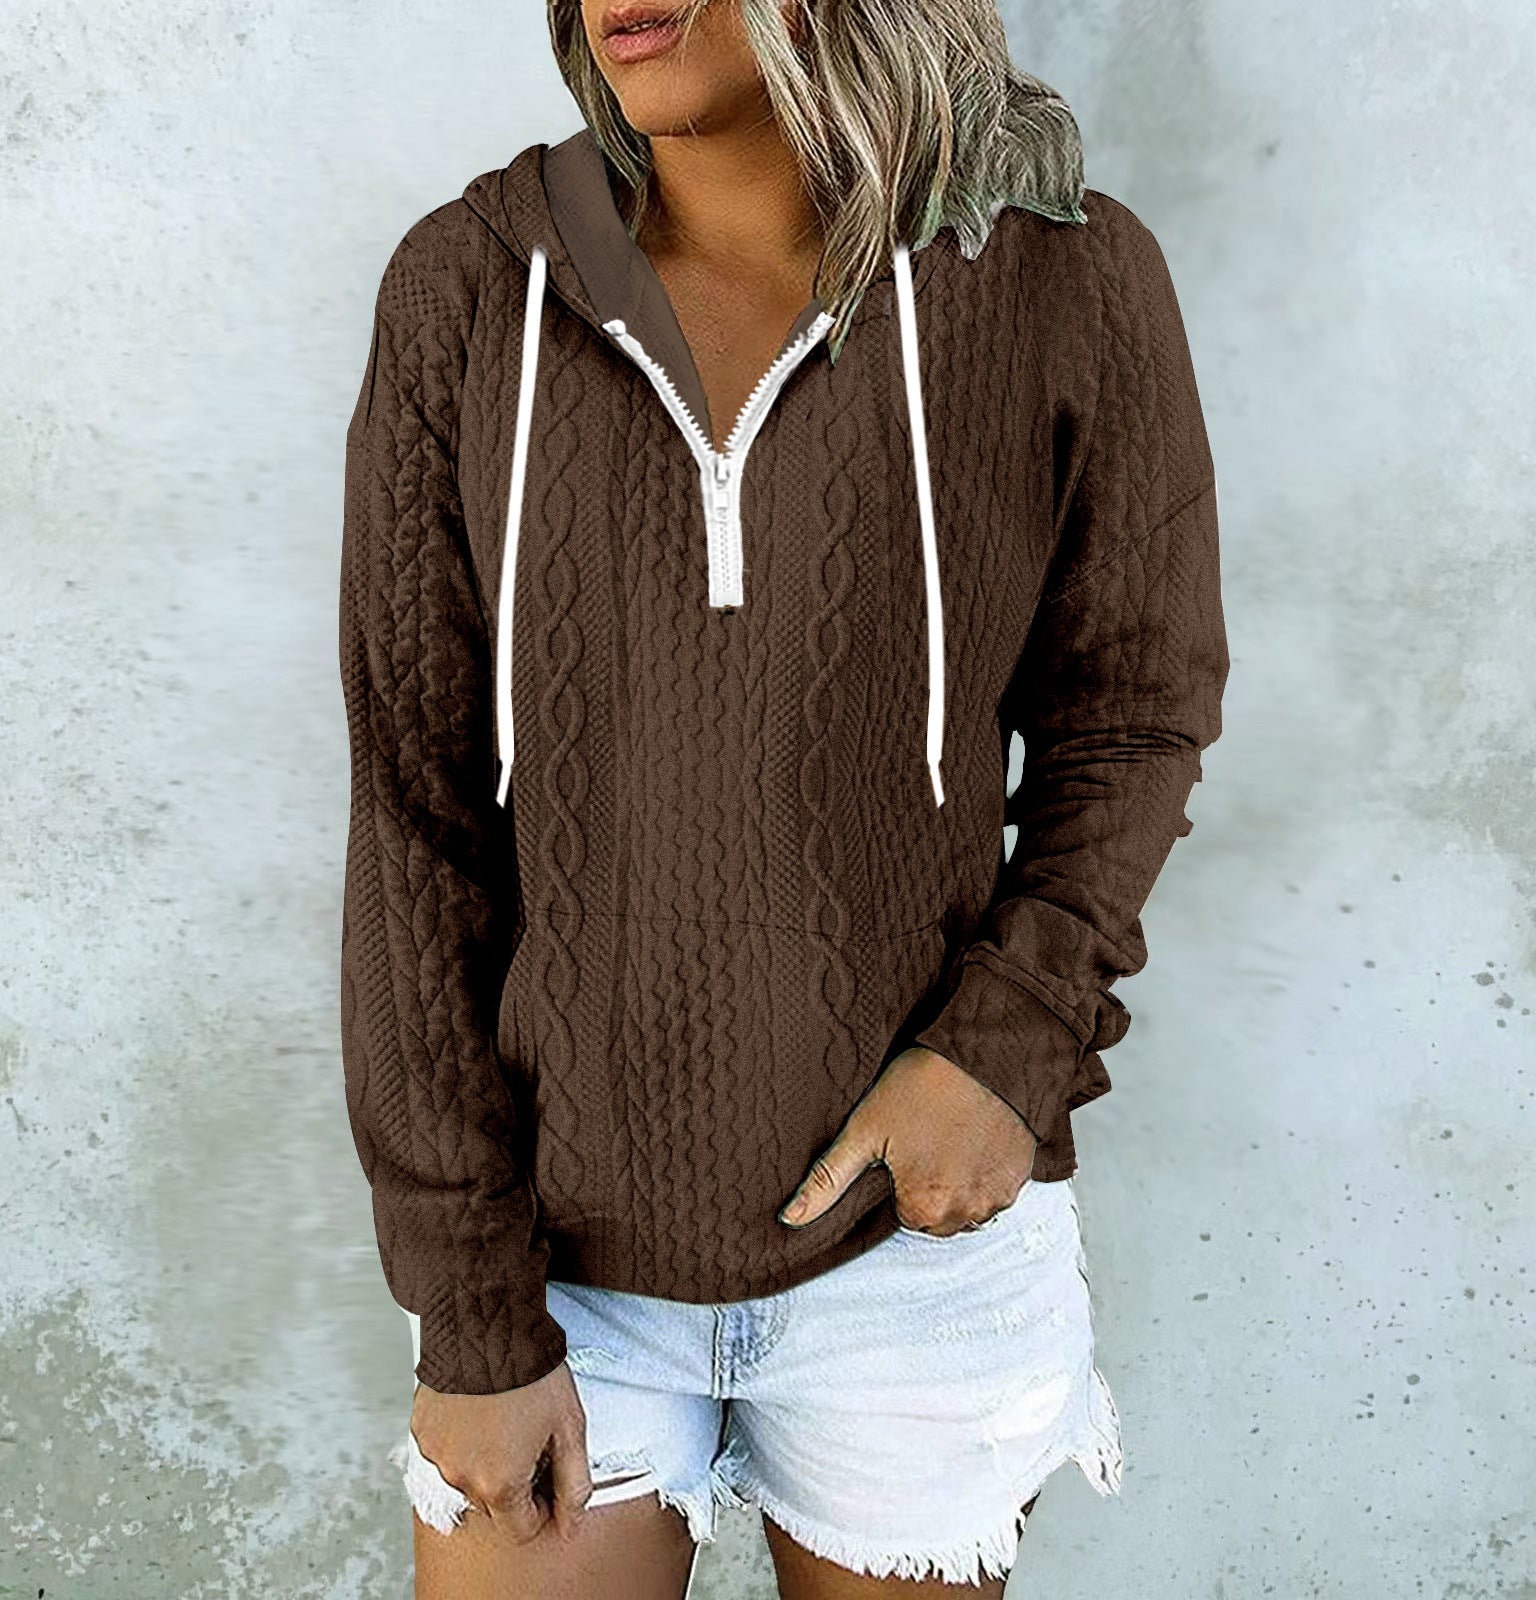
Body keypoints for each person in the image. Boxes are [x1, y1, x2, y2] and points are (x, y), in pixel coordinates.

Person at [337, 0, 1228, 1594]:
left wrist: (1006, 1047)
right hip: (556, 1261)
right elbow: (415, 818)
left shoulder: (1063, 278)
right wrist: (470, 1304)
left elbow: (1134, 713)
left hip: (918, 1247)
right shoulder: (469, 289)